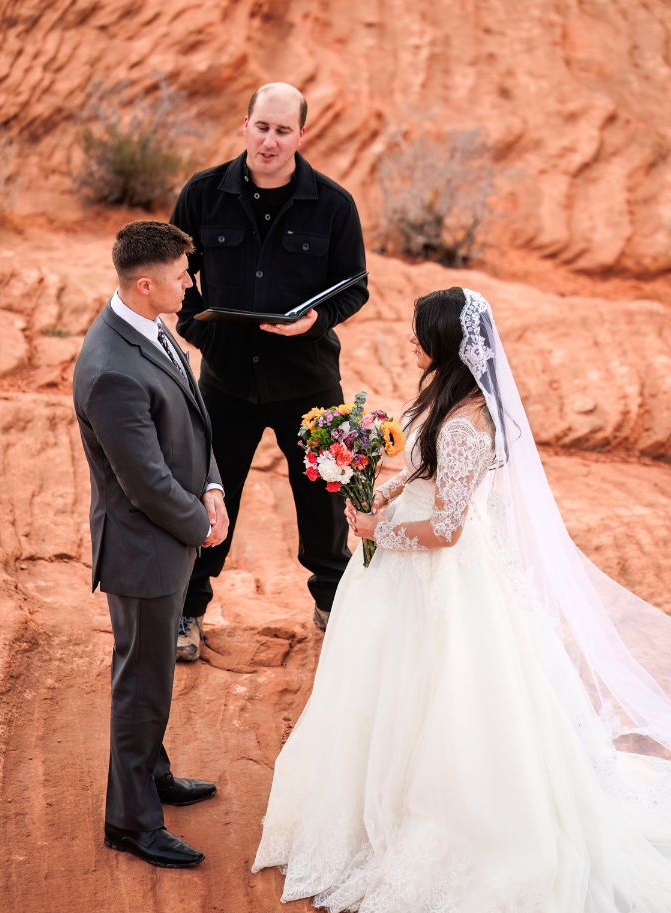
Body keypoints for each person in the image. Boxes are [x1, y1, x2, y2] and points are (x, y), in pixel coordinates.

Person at [253, 287, 671, 910]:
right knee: (382, 691)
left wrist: (376, 531)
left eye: (422, 331)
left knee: (437, 696)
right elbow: (421, 472)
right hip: (399, 567)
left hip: (436, 578)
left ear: (448, 340)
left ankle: (435, 822)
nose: (412, 339)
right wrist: (380, 497)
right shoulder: (440, 396)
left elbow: (447, 530)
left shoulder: (469, 422)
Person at [170, 81, 369, 659]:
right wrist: (204, 334)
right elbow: (176, 273)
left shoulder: (333, 204)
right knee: (209, 491)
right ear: (245, 124)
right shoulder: (203, 195)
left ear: (301, 135)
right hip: (226, 382)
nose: (271, 141)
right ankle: (188, 610)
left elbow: (353, 288)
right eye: (262, 127)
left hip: (308, 380)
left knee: (324, 497)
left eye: (284, 131)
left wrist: (314, 321)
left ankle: (332, 602)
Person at [73, 221, 230, 867]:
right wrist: (203, 524)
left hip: (171, 535)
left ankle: (152, 774)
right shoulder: (109, 367)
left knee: (155, 672)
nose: (189, 281)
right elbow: (144, 483)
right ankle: (131, 821)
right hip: (144, 548)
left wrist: (214, 485)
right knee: (141, 683)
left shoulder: (150, 323)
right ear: (146, 284)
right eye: (180, 274)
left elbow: (195, 413)